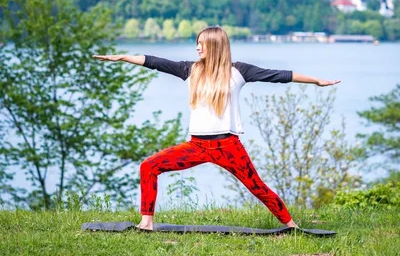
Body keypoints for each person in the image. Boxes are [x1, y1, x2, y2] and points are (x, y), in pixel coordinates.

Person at [94, 26, 340, 231]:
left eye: (202, 43)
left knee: (257, 187)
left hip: (228, 146)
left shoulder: (238, 71)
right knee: (149, 166)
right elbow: (156, 62)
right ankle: (146, 222)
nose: (198, 47)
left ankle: (291, 226)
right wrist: (124, 57)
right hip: (196, 146)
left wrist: (316, 80)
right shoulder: (190, 70)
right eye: (197, 43)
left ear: (215, 45)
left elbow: (279, 75)